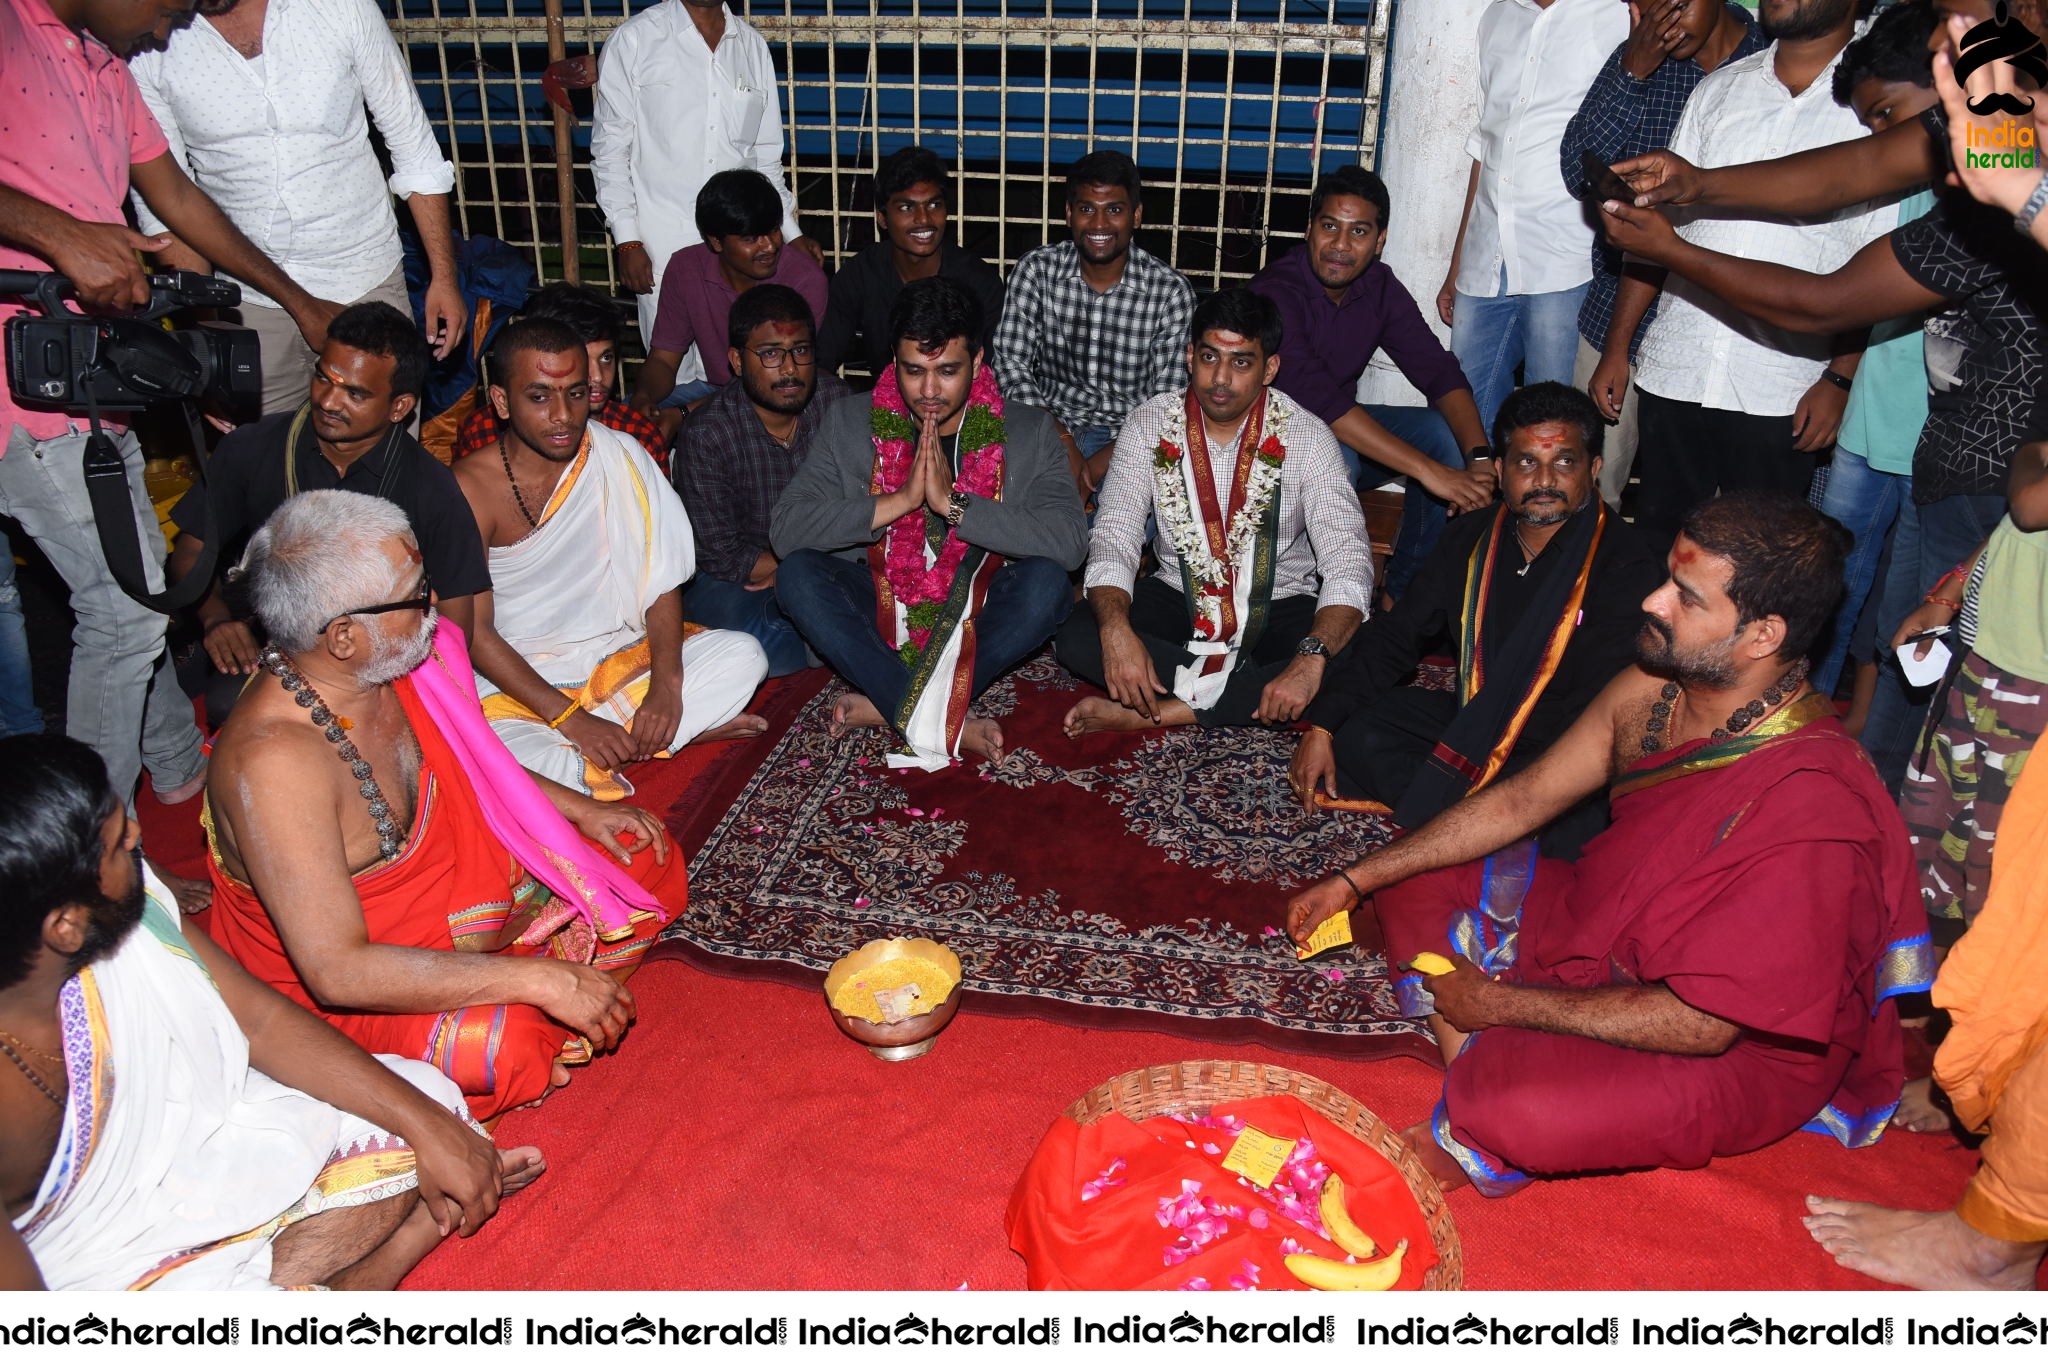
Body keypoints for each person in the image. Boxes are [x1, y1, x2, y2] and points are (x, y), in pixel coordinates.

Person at [1285, 490, 1932, 1196]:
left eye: (1686, 597)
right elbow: (1524, 799)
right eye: (1666, 579)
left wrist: (1499, 1005)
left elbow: (1706, 1024)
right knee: (1411, 866)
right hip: (1602, 932)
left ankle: (1490, 1075)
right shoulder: (1650, 690)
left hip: (1734, 1045)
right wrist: (1355, 879)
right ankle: (1490, 1058)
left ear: (1762, 636)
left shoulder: (1814, 803)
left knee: (1517, 1107)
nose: (1653, 601)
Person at [1598, 0, 2044, 787]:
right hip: (1967, 462)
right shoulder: (1992, 125)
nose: (1954, 41)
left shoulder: (2001, 164)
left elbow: (1826, 300)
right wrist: (1698, 183)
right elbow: (1851, 173)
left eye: (1964, 22)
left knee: (1980, 713)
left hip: (2005, 472)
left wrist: (1679, 251)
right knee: (1920, 667)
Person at [204, 491, 689, 1119]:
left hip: (466, 898)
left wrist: (583, 810)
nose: (432, 603)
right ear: (344, 637)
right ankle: (538, 999)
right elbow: (337, 971)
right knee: (504, 1048)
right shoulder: (272, 763)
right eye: (413, 596)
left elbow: (475, 761)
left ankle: (545, 995)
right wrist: (540, 980)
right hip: (359, 982)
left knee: (642, 857)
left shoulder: (400, 662)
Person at [1, 733, 542, 1290]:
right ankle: (397, 1250)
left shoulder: (134, 909)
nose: (139, 837)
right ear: (64, 926)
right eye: (117, 845)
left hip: (208, 1140)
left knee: (424, 1099)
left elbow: (259, 1021)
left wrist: (424, 1124)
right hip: (92, 1258)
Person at [1, 0, 346, 815]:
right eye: (167, 8)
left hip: (90, 383)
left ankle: (175, 765)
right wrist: (57, 232)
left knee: (136, 588)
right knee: (120, 614)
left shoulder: (104, 64)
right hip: (22, 396)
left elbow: (181, 204)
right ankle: (88, 845)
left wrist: (295, 302)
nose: (165, 33)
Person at [1290, 383, 1664, 855]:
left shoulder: (1627, 563)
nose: (1544, 480)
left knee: (1590, 820)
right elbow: (1397, 636)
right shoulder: (1468, 539)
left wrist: (1543, 781)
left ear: (1592, 469)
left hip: (1563, 746)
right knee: (1357, 729)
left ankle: (1481, 818)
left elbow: (1605, 712)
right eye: (1527, 463)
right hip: (1476, 717)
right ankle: (1490, 821)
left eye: (1564, 462)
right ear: (1501, 472)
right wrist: (1323, 725)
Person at [1592, 0, 1888, 555]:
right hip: (1678, 367)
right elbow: (1655, 232)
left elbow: (1876, 261)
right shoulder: (1719, 89)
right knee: (1661, 547)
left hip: (1783, 385)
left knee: (1762, 563)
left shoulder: (1877, 104)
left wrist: (1839, 379)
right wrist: (1618, 348)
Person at [773, 277, 1086, 768]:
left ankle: (891, 702)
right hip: (881, 606)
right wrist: (898, 501)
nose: (930, 390)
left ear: (978, 362)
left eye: (948, 371)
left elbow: (1069, 542)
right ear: (893, 361)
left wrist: (954, 506)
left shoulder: (1028, 430)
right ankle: (933, 712)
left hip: (979, 611)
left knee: (1048, 584)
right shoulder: (849, 421)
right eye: (914, 370)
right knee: (797, 575)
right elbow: (786, 528)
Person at [456, 318, 769, 799]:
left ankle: (613, 747)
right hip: (517, 680)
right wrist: (572, 719)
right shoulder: (468, 489)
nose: (563, 415)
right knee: (507, 757)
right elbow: (473, 633)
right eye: (539, 397)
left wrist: (667, 687)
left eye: (576, 394)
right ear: (501, 401)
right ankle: (643, 741)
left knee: (744, 656)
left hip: (614, 655)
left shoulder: (618, 453)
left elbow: (660, 580)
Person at [1053, 288, 1373, 737]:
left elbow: (1347, 560)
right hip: (1178, 593)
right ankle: (1248, 689)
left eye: (1241, 362)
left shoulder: (1308, 437)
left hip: (1278, 602)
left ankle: (1166, 710)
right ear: (1189, 357)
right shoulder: (1149, 423)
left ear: (1270, 369)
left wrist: (1310, 658)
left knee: (1359, 649)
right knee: (1078, 634)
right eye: (1209, 357)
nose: (1220, 378)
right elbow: (1115, 535)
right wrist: (1116, 633)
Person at [128, 0, 466, 415]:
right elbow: (166, 207)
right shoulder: (150, 36)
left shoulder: (340, 7)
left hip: (366, 279)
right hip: (245, 303)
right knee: (263, 452)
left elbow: (414, 148)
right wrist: (206, 342)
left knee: (381, 448)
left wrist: (444, 277)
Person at [167, 301, 490, 729]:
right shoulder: (252, 448)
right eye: (324, 377)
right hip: (280, 642)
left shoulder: (431, 486)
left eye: (355, 393)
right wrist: (216, 619)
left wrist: (393, 679)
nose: (329, 401)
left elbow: (455, 624)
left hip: (384, 661)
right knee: (230, 704)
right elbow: (188, 554)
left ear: (399, 407)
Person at [1248, 164, 1497, 601]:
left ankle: (1405, 596)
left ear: (1379, 241)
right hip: (1270, 445)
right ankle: (1315, 599)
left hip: (1339, 432)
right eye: (1329, 226)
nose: (1340, 246)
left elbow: (1438, 371)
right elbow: (1321, 402)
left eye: (1359, 232)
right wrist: (1432, 474)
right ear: (1309, 229)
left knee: (1442, 435)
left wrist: (1479, 460)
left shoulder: (1378, 287)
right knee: (1340, 460)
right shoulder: (1276, 291)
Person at [1562, 0, 1765, 506]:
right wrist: (1633, 71)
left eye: (1673, 4)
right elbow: (1576, 170)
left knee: (1717, 513)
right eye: (1643, 6)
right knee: (1592, 490)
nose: (1660, 21)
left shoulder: (1773, 62)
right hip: (1619, 312)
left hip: (1729, 330)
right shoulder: (1643, 55)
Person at [1810, 1, 1942, 698]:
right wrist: (1843, 380)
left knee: (1911, 601)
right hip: (1872, 416)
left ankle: (1871, 728)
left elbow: (1837, 297)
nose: (1882, 139)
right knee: (1828, 577)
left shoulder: (1989, 174)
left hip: (1943, 437)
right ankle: (1802, 714)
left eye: (1889, 114)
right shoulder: (1902, 183)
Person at [1439, 0, 1629, 434]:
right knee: (1465, 422)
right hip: (1485, 264)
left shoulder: (1615, 15)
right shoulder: (1496, 17)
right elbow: (1486, 145)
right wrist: (1458, 264)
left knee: (1554, 427)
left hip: (1564, 261)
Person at [590, 0, 812, 349]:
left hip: (738, 249)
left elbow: (765, 157)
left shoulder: (751, 47)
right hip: (661, 244)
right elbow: (610, 150)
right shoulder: (636, 39)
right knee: (670, 366)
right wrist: (627, 239)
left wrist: (790, 230)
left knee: (737, 362)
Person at [991, 150, 1195, 496]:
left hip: (1130, 440)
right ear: (1069, 214)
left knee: (1130, 517)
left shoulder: (1169, 292)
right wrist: (1060, 439)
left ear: (1136, 215)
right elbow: (1011, 365)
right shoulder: (1036, 271)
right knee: (1009, 508)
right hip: (1048, 424)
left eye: (1114, 210)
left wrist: (1093, 468)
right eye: (1087, 209)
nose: (1099, 224)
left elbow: (1167, 404)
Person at [673, 286, 849, 678]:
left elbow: (866, 505)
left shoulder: (837, 405)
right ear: (737, 360)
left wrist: (809, 574)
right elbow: (722, 554)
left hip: (832, 562)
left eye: (800, 351)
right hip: (740, 577)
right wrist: (796, 574)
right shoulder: (708, 433)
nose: (789, 370)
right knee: (762, 639)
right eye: (770, 354)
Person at [627, 168, 831, 431]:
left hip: (781, 395)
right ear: (716, 241)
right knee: (627, 421)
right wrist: (643, 399)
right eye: (751, 238)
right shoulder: (686, 268)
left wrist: (683, 414)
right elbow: (663, 360)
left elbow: (774, 383)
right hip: (713, 391)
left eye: (773, 231)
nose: (769, 246)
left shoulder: (804, 279)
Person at [817, 145, 1006, 380]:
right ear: (882, 218)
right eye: (907, 207)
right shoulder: (860, 275)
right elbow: (822, 361)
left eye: (934, 205)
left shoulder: (978, 282)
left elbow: (996, 374)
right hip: (884, 402)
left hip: (964, 401)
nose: (924, 219)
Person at [450, 281, 666, 469]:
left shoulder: (637, 434)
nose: (598, 376)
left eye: (606, 358)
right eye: (583, 360)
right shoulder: (484, 430)